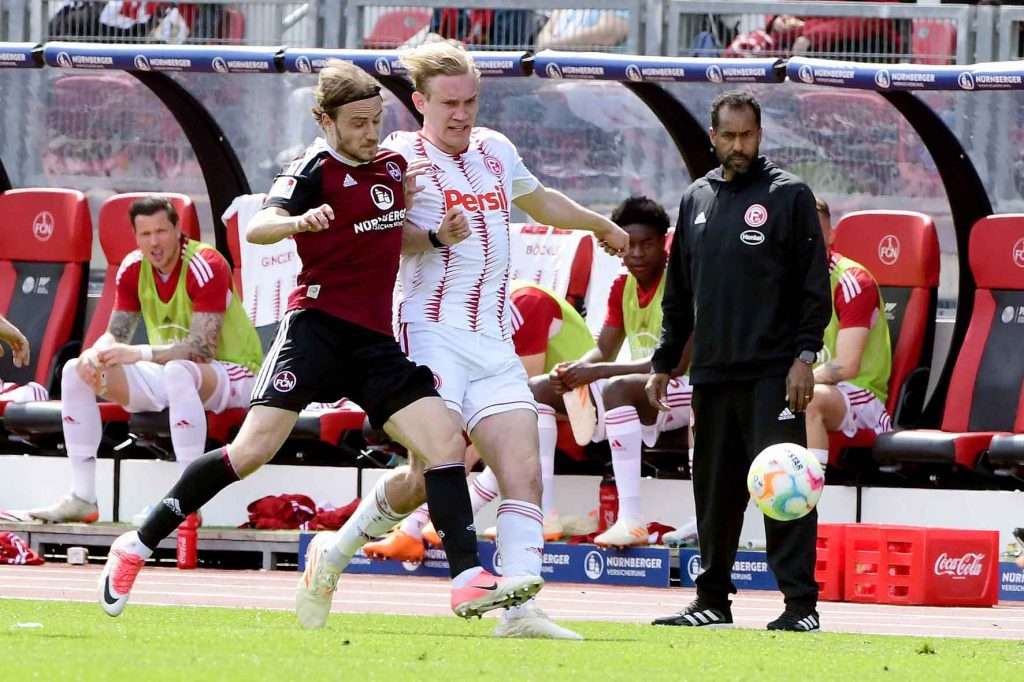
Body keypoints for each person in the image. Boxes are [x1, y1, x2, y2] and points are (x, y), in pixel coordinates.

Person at [97, 60, 543, 627]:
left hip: (374, 341)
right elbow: (261, 226)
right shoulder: (311, 168)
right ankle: (136, 544)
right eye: (357, 122)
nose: (369, 133)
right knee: (250, 453)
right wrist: (299, 223)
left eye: (376, 120)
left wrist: (431, 235)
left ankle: (464, 580)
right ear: (324, 120)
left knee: (443, 445)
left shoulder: (391, 165)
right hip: (315, 330)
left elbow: (387, 233)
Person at [318, 40, 628, 641]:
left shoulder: (496, 149)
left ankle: (520, 613)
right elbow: (380, 237)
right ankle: (337, 550)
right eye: (450, 103)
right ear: (420, 102)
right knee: (428, 471)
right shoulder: (396, 161)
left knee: (524, 470)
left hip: (492, 335)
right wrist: (429, 233)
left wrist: (600, 223)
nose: (462, 113)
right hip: (429, 331)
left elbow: (539, 201)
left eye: (471, 100)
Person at [646, 91, 830, 632]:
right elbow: (678, 292)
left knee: (784, 490)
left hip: (773, 372)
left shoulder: (789, 195)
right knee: (714, 491)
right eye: (728, 135)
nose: (738, 145)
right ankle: (712, 601)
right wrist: (663, 360)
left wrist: (804, 355)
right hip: (712, 373)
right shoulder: (695, 198)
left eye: (747, 135)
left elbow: (814, 287)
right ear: (712, 136)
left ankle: (800, 607)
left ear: (760, 135)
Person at [30, 196, 263, 524]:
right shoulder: (132, 268)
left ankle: (185, 505)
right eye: (145, 234)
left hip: (235, 371)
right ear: (135, 236)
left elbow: (202, 348)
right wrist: (97, 354)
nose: (154, 242)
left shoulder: (206, 263)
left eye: (162, 232)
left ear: (178, 230)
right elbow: (117, 333)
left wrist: (137, 353)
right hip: (171, 372)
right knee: (74, 370)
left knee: (180, 371)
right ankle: (82, 498)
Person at [361, 278, 592, 562]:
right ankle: (414, 528)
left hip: (583, 408)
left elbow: (523, 395)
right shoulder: (481, 318)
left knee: (512, 423)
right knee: (461, 435)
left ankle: (541, 514)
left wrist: (460, 448)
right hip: (549, 404)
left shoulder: (526, 303)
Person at [533, 196, 692, 548]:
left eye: (646, 244)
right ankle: (543, 515)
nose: (635, 253)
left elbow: (676, 364)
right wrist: (577, 367)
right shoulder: (623, 286)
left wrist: (599, 371)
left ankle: (631, 520)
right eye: (629, 245)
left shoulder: (682, 284)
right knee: (540, 388)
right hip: (644, 387)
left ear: (663, 241)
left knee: (617, 388)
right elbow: (603, 349)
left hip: (688, 389)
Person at [804, 197, 892, 468]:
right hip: (809, 384)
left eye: (813, 235)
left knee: (808, 400)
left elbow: (847, 365)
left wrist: (794, 382)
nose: (805, 243)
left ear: (830, 237)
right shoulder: (778, 283)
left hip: (861, 394)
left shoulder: (852, 282)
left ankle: (810, 495)